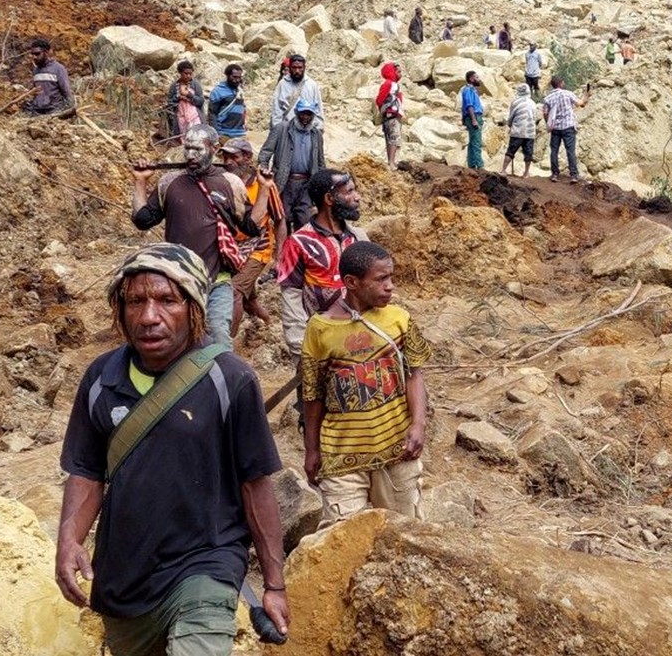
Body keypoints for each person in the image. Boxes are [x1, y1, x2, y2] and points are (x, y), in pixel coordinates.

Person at [56, 243, 288, 656]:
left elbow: (256, 485)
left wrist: (274, 584)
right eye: (135, 302)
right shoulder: (100, 379)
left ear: (194, 308)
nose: (149, 316)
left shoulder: (230, 380)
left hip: (206, 566)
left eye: (167, 300)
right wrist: (69, 541)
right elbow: (88, 470)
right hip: (125, 579)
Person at [301, 241, 432, 525]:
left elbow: (414, 374)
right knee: (340, 538)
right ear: (352, 282)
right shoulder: (320, 329)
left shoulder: (399, 319)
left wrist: (418, 424)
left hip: (397, 449)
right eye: (381, 279)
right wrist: (312, 449)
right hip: (341, 455)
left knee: (405, 533)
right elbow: (313, 395)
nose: (390, 286)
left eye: (391, 278)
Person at [131, 125, 258, 348]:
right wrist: (140, 181)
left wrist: (265, 189)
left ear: (214, 149)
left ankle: (222, 381)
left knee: (218, 337)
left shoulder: (230, 183)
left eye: (197, 149)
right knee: (179, 341)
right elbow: (143, 220)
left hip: (216, 281)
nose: (190, 155)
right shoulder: (169, 182)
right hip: (178, 281)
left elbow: (250, 226)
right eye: (187, 148)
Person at [277, 168, 368, 427]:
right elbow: (291, 296)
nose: (357, 197)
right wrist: (299, 348)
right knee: (315, 412)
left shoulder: (359, 238)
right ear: (329, 199)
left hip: (360, 340)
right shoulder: (299, 243)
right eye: (349, 191)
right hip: (318, 343)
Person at [220, 138, 285, 336]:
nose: (228, 161)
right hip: (231, 249)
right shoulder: (223, 181)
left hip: (258, 248)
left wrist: (279, 257)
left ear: (247, 158)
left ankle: (226, 346)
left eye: (234, 157)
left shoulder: (263, 184)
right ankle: (268, 326)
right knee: (249, 300)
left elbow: (280, 220)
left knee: (234, 291)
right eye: (225, 156)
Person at [259, 100, 325, 233]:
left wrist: (322, 182)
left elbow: (320, 161)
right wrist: (263, 168)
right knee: (283, 218)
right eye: (302, 114)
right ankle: (284, 250)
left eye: (309, 114)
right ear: (296, 113)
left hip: (307, 183)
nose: (305, 118)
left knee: (304, 218)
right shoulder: (281, 129)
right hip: (285, 181)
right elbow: (266, 152)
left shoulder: (316, 134)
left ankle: (300, 249)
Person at [542, 76, 590, 183]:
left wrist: (549, 123)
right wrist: (587, 95)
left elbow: (545, 113)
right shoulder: (567, 93)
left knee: (554, 150)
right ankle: (573, 175)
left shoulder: (548, 98)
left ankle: (554, 174)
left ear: (552, 85)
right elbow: (581, 103)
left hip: (555, 127)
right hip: (568, 126)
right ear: (561, 83)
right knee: (570, 150)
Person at [270, 55, 323, 129]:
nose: (297, 71)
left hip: (307, 130)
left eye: (300, 68)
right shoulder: (282, 84)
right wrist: (277, 129)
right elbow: (276, 109)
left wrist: (319, 128)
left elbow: (318, 109)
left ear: (304, 68)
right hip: (287, 129)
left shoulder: (312, 85)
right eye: (294, 68)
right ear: (290, 68)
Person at [23, 38, 73, 116]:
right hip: (38, 112)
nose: (34, 57)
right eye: (32, 54)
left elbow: (66, 91)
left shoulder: (58, 69)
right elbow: (35, 92)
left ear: (46, 52)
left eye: (37, 54)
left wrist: (71, 110)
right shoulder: (35, 71)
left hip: (54, 111)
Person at [501, 84, 536, 177]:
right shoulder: (533, 103)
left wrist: (509, 124)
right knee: (528, 153)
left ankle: (504, 170)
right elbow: (534, 117)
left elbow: (511, 115)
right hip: (530, 131)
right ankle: (526, 172)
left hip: (517, 130)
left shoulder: (515, 102)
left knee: (511, 151)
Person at [376, 62, 404, 170]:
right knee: (394, 138)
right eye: (398, 72)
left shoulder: (394, 85)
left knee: (390, 138)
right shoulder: (389, 84)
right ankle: (391, 163)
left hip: (391, 115)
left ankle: (390, 162)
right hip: (390, 115)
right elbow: (379, 99)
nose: (400, 74)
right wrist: (386, 109)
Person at [165, 60, 204, 139]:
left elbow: (201, 101)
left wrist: (190, 95)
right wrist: (178, 97)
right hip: (180, 116)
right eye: (186, 73)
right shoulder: (174, 86)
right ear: (180, 73)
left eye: (190, 73)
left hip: (195, 116)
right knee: (183, 137)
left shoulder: (195, 85)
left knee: (197, 137)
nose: (188, 76)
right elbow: (169, 103)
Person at [208, 64, 247, 139]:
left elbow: (243, 109)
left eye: (239, 77)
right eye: (234, 77)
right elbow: (212, 114)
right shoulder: (218, 91)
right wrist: (215, 133)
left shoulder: (240, 91)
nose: (237, 80)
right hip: (224, 133)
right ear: (227, 76)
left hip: (240, 132)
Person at [461, 70, 484, 169]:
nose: (479, 79)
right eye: (477, 77)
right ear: (471, 79)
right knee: (476, 141)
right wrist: (474, 120)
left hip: (474, 116)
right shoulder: (468, 90)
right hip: (473, 117)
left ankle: (471, 164)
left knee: (472, 141)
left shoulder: (473, 90)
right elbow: (469, 105)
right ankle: (479, 165)